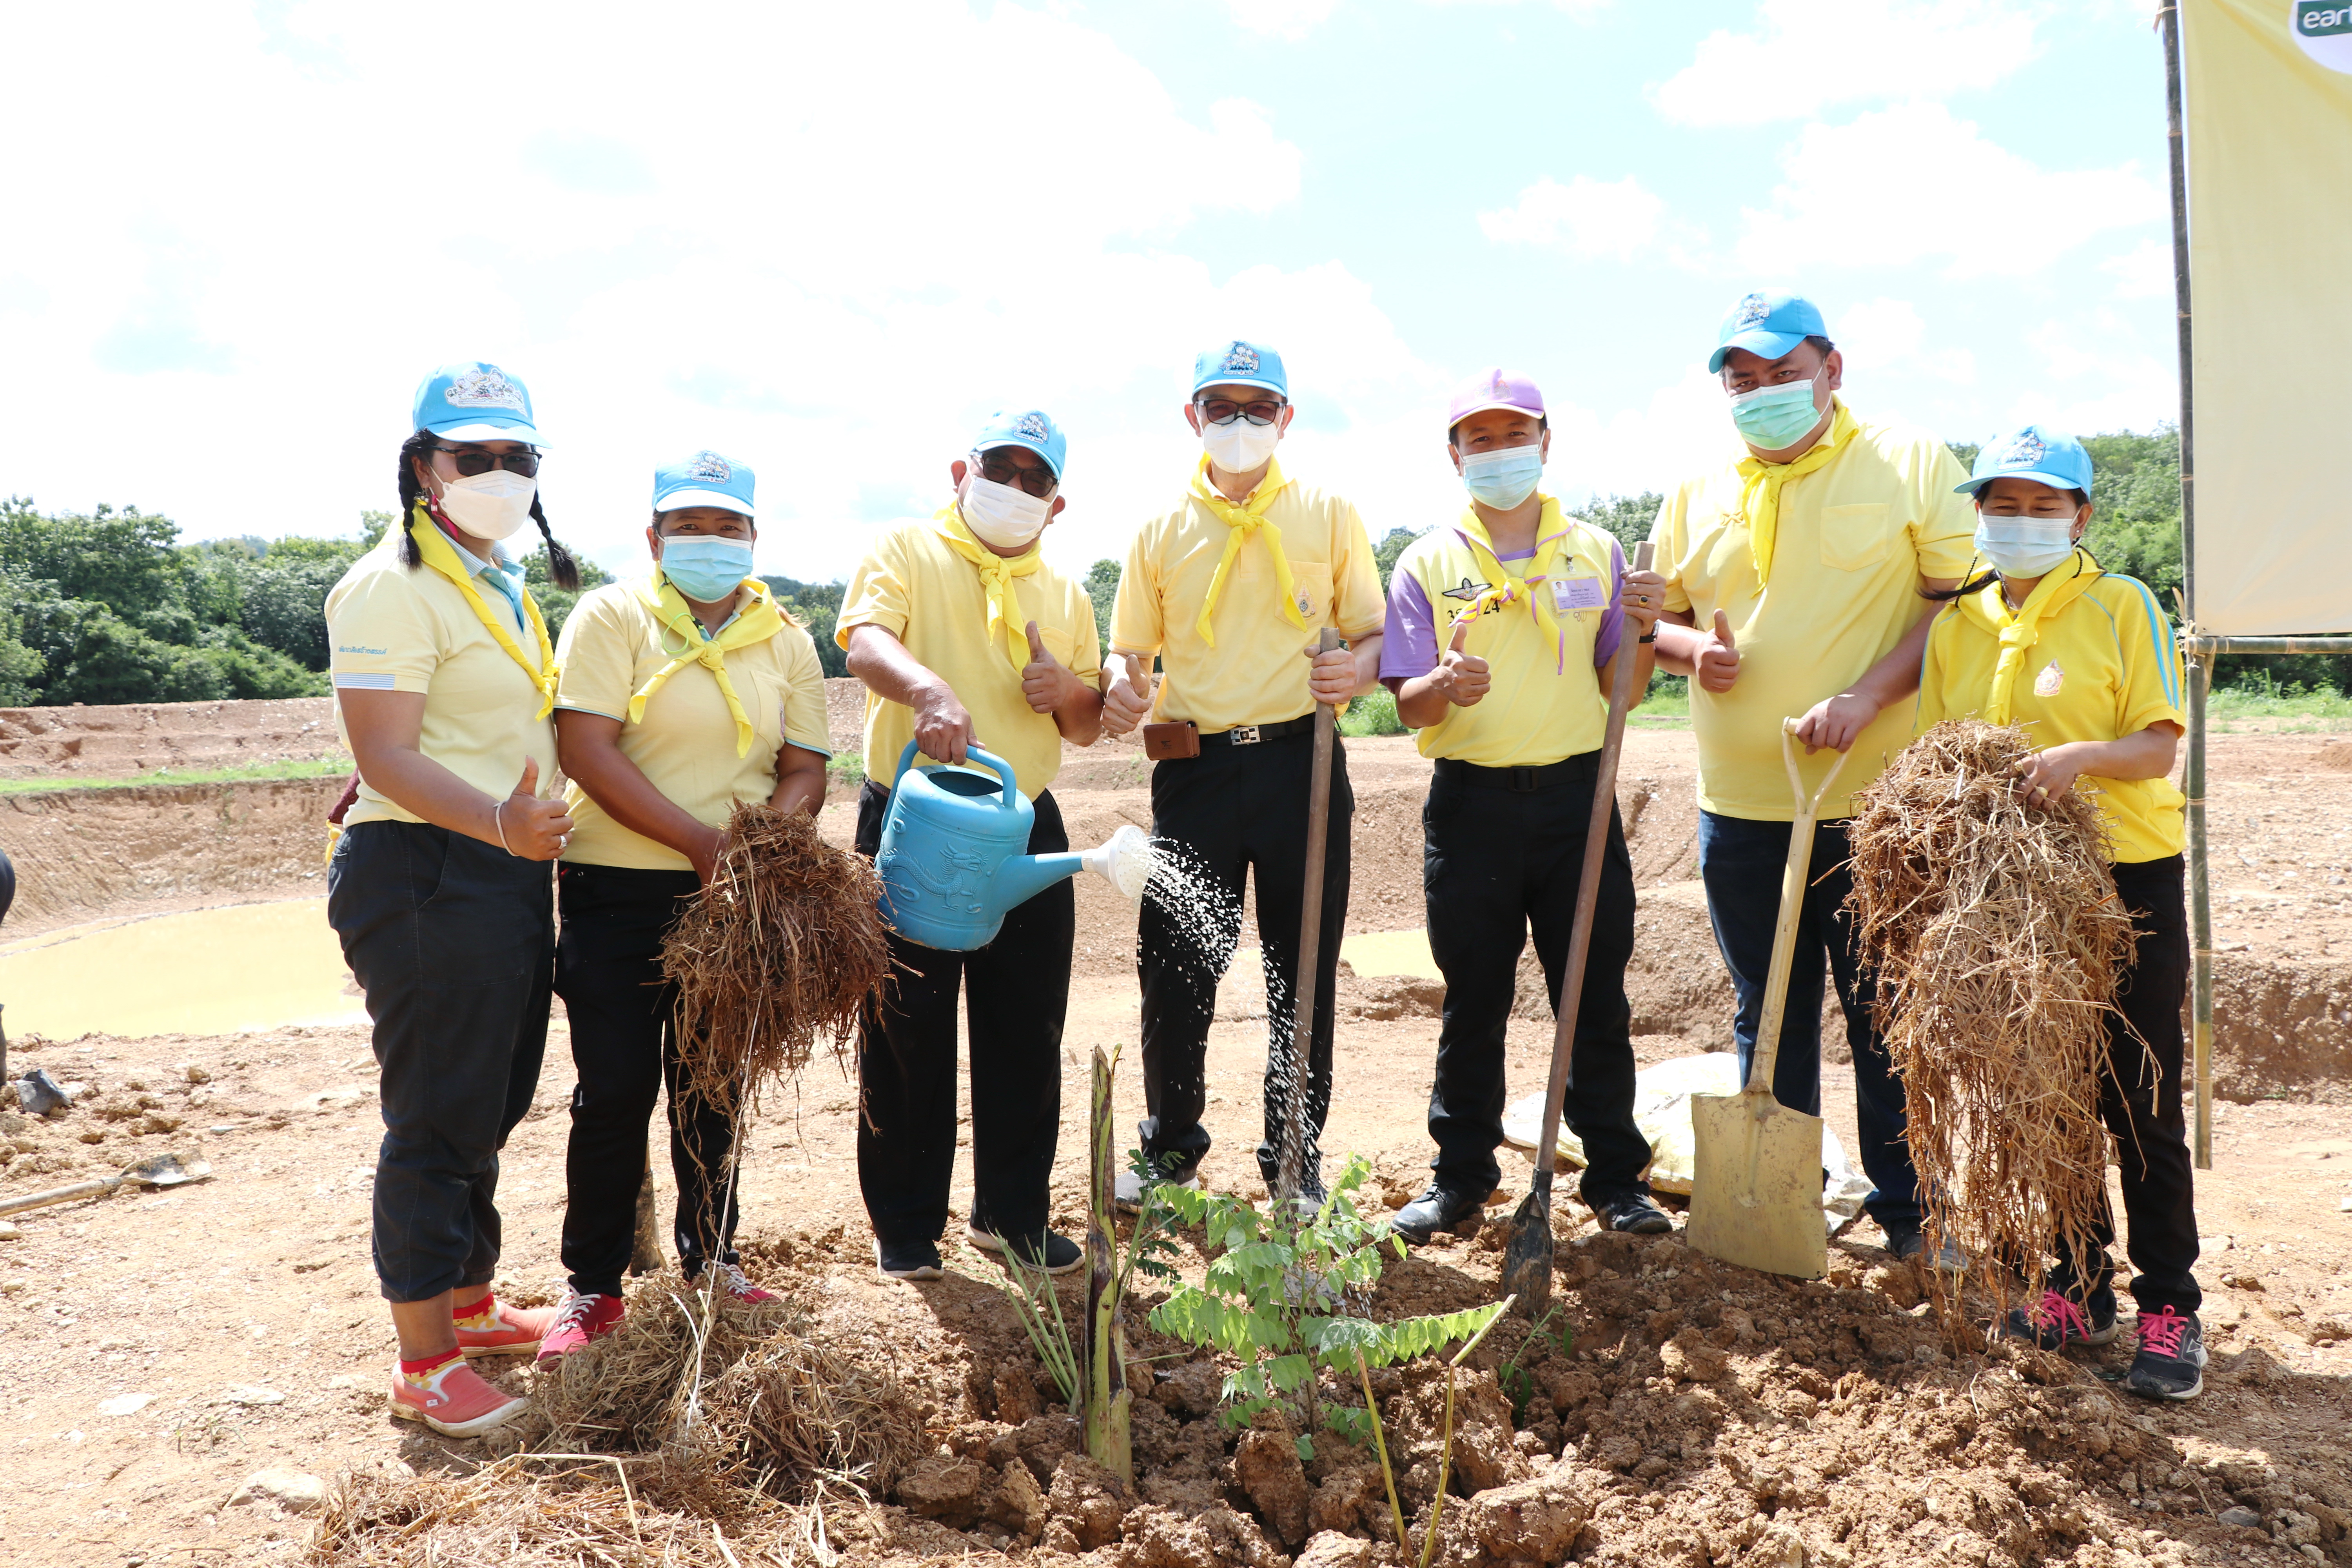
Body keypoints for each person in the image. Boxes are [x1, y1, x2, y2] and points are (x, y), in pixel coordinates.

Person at [1646, 294, 1976, 1269]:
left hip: (1882, 804)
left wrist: (1866, 695)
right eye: (1742, 380)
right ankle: (1778, 1205)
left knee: (1887, 1009)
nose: (1763, 393)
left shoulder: (1909, 461)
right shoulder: (1696, 489)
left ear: (1833, 368)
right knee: (1770, 1009)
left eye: (1783, 373)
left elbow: (1959, 607)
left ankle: (1912, 1207)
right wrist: (1690, 654)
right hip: (1741, 804)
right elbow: (1654, 620)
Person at [1913, 426, 2204, 1399]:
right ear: (1979, 514)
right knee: (2054, 1094)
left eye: (2046, 505)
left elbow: (2158, 746)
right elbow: (1941, 755)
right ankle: (2077, 1285)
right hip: (2015, 896)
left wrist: (2082, 758)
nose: (2023, 521)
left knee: (2139, 1096)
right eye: (2004, 504)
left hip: (2126, 881)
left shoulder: (2123, 604)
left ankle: (2170, 1306)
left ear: (2082, 517)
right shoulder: (1959, 622)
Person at [325, 361, 579, 1437]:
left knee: (489, 1096)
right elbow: (386, 754)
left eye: (518, 455)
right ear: (424, 466)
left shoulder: (494, 577)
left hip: (499, 863)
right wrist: (500, 824)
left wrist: (515, 837)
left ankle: (470, 1303)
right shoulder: (393, 584)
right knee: (435, 1115)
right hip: (429, 866)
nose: (498, 472)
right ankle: (424, 1364)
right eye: (474, 455)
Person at [538, 450, 832, 1359]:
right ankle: (593, 1286)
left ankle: (713, 1259)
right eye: (689, 525)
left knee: (713, 1083)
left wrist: (753, 848)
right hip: (615, 887)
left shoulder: (785, 637)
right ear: (654, 536)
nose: (709, 540)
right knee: (615, 1088)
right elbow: (586, 748)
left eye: (726, 526)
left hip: (732, 900)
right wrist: (699, 842)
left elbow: (805, 769)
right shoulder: (613, 615)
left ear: (753, 537)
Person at [1380, 369, 1673, 1243]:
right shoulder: (1427, 562)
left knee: (1593, 993)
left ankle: (1615, 1179)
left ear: (1546, 443)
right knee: (1475, 998)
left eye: (1516, 435)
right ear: (1455, 455)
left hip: (1579, 803)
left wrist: (1644, 627)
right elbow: (1409, 705)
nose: (1500, 451)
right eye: (1481, 438)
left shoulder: (1598, 552)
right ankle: (1461, 1176)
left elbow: (1622, 689)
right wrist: (1442, 683)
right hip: (1471, 807)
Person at [1100, 340, 1386, 1211]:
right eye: (1220, 407)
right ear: (1192, 416)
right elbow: (1130, 652)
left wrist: (1355, 669)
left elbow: (1373, 637)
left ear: (1286, 418)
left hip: (1304, 764)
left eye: (1258, 407)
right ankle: (1170, 1151)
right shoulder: (1159, 530)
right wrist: (1122, 683)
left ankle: (1294, 1162)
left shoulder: (1329, 514)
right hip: (1196, 773)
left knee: (1302, 968)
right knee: (1176, 964)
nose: (1239, 423)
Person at [838, 410, 1104, 1281]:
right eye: (1001, 469)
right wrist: (928, 690)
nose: (1016, 488)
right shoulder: (908, 550)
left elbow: (1087, 723)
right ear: (963, 471)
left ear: (1056, 504)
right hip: (913, 817)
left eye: (1036, 479)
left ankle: (1012, 1217)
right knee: (905, 1026)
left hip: (1022, 822)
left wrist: (1067, 690)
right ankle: (907, 1225)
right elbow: (865, 643)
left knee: (1026, 1023)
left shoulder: (1064, 594)